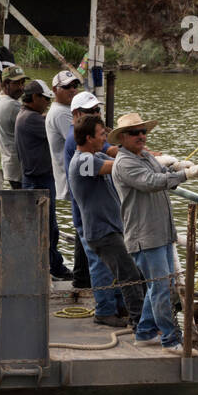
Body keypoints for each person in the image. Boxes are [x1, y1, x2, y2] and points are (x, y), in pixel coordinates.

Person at [109, 112, 198, 355]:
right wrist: (186, 174)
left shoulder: (144, 156)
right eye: (135, 133)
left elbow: (163, 177)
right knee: (162, 288)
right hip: (145, 236)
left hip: (162, 232)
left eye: (143, 131)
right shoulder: (125, 163)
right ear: (122, 137)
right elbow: (151, 182)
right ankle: (171, 340)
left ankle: (144, 333)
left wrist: (178, 168)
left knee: (160, 287)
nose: (141, 136)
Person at [69, 115, 145, 329]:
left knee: (125, 272)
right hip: (102, 232)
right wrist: (142, 161)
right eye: (101, 134)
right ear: (88, 138)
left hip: (109, 229)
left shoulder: (93, 155)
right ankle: (140, 321)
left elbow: (114, 156)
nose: (104, 139)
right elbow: (118, 167)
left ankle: (125, 312)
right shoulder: (84, 161)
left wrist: (144, 155)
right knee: (129, 274)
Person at [62, 93, 124, 323]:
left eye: (98, 110)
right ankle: (105, 311)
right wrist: (144, 161)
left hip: (99, 214)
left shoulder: (88, 144)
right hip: (89, 215)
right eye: (91, 112)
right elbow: (112, 163)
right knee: (99, 263)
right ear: (77, 115)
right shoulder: (79, 148)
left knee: (110, 263)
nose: (97, 114)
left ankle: (117, 305)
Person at [15, 79, 72, 280]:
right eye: (45, 98)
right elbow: (53, 127)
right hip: (39, 180)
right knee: (47, 229)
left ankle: (49, 267)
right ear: (35, 98)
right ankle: (53, 268)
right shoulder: (31, 119)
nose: (48, 102)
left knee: (45, 227)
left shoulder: (26, 115)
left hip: (36, 178)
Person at [46, 69, 89, 287]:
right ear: (55, 90)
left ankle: (82, 274)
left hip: (72, 174)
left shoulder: (61, 111)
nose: (72, 90)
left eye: (75, 86)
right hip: (75, 177)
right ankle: (82, 276)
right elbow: (84, 140)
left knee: (83, 224)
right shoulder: (63, 114)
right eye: (67, 87)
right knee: (84, 225)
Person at [0, 65, 28, 189]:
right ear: (6, 84)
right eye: (17, 83)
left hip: (10, 165)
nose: (21, 87)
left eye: (23, 83)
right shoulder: (12, 105)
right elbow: (33, 119)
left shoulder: (0, 97)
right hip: (18, 168)